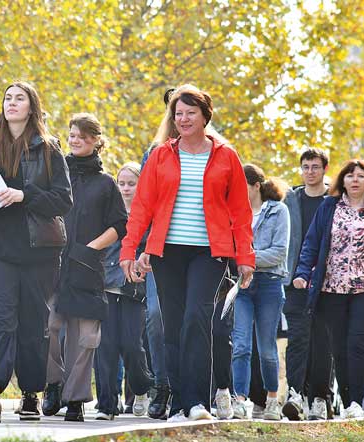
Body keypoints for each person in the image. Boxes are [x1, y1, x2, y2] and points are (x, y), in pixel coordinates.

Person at [120, 85, 255, 423]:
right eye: (178, 114)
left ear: (205, 116)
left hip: (210, 252)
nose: (183, 119)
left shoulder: (226, 156)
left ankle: (198, 403)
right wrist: (129, 250)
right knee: (173, 325)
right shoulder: (161, 155)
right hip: (167, 252)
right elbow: (142, 208)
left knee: (198, 318)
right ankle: (179, 403)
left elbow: (240, 211)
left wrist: (246, 258)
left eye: (190, 113)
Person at [0, 81, 72, 423]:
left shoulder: (49, 149)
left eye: (19, 98)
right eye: (7, 98)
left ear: (31, 107)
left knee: (32, 322)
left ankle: (30, 394)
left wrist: (25, 195)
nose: (11, 103)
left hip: (38, 251)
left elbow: (64, 201)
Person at [293, 159, 364, 419]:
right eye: (349, 176)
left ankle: (357, 402)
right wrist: (302, 272)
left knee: (357, 343)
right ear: (342, 181)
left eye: (360, 176)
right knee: (339, 346)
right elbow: (312, 243)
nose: (354, 180)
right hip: (331, 288)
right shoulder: (328, 207)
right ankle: (348, 403)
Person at [43, 113, 127, 422]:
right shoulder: (55, 173)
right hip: (52, 262)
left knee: (85, 337)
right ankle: (53, 384)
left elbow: (120, 224)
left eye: (81, 135)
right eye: (72, 134)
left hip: (88, 267)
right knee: (48, 326)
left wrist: (91, 248)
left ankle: (75, 399)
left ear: (95, 140)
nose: (75, 140)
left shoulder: (106, 184)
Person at [94, 162, 153, 420]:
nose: (126, 188)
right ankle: (107, 404)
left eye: (131, 183)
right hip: (106, 285)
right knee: (105, 346)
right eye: (122, 183)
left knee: (131, 345)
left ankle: (141, 387)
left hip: (134, 288)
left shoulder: (147, 215)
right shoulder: (108, 212)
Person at [231, 164, 289, 421]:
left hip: (269, 284)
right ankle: (240, 400)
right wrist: (241, 261)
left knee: (266, 347)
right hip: (241, 284)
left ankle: (272, 399)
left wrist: (246, 257)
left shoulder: (278, 211)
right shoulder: (233, 211)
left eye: (241, 184)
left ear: (256, 185)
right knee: (240, 345)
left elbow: (279, 252)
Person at [280, 148, 333, 421]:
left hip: (328, 284)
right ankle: (295, 394)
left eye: (315, 167)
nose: (310, 172)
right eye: (305, 167)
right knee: (298, 339)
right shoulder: (291, 198)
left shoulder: (335, 201)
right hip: (295, 282)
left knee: (322, 341)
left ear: (325, 169)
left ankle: (320, 398)